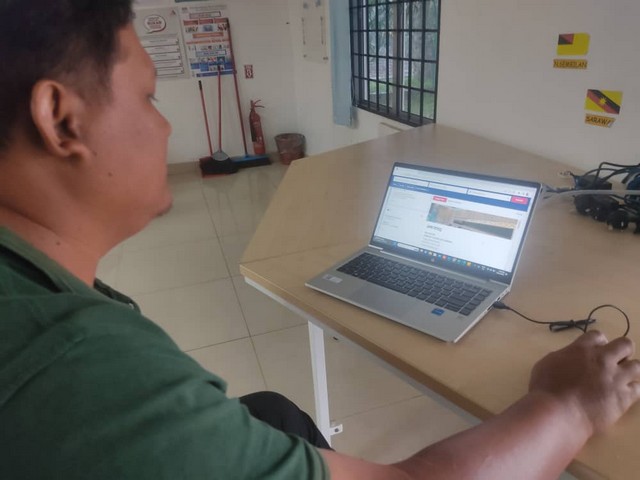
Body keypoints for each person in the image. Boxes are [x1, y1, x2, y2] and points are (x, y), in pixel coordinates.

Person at [0, 2, 639, 479]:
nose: (166, 128)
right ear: (61, 119)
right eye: (147, 97)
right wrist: (569, 406)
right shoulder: (79, 369)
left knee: (274, 412)